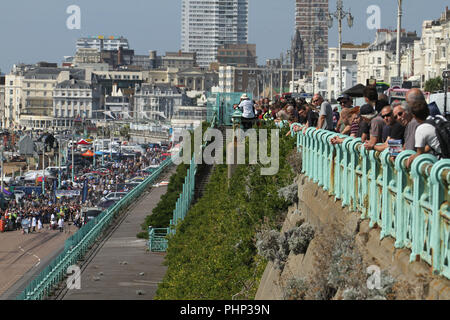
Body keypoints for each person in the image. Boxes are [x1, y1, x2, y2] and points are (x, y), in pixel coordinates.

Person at [406, 100, 442, 168]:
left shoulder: (421, 129)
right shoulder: (437, 118)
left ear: (414, 116)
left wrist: (411, 158)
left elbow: (420, 152)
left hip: (443, 160)